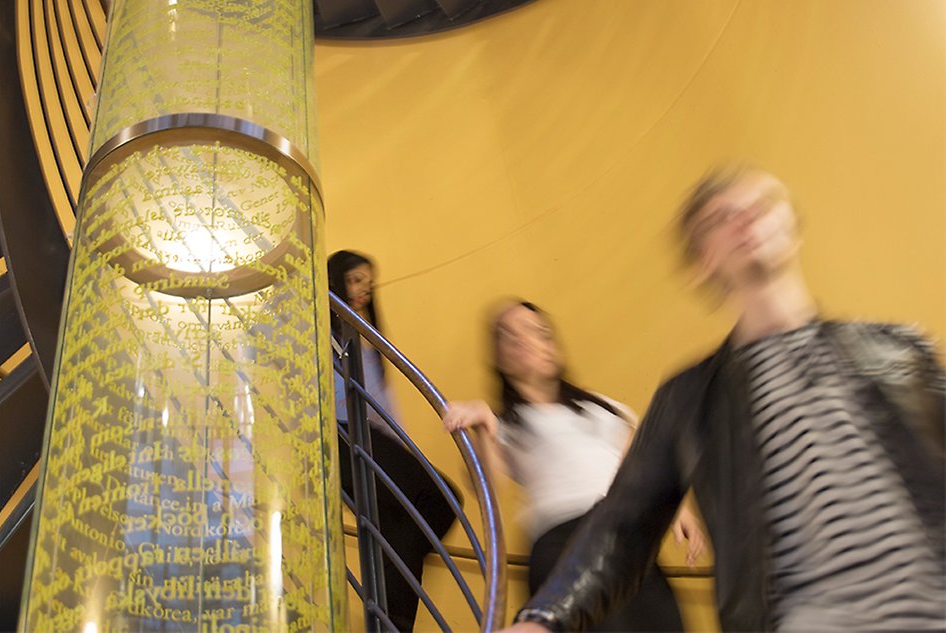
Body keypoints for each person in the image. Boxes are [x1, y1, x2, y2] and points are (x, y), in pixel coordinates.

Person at [486, 167, 945, 632]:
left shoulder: (900, 350)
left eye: (761, 205)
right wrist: (543, 620)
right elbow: (622, 527)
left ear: (790, 228)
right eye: (722, 217)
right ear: (702, 260)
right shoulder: (690, 399)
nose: (746, 218)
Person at [444, 300, 705, 632]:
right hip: (562, 544)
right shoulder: (507, 424)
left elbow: (642, 466)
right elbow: (488, 488)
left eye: (535, 331)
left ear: (553, 348)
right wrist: (483, 427)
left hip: (625, 536)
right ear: (499, 358)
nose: (523, 340)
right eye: (508, 336)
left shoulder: (605, 408)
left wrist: (678, 509)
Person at [328, 250, 461, 633]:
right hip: (341, 434)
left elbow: (382, 407)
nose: (363, 291)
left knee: (406, 526)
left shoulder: (367, 341)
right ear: (334, 281)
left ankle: (392, 623)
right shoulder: (318, 331)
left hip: (373, 437)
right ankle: (392, 617)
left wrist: (405, 452)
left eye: (368, 284)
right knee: (439, 499)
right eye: (354, 280)